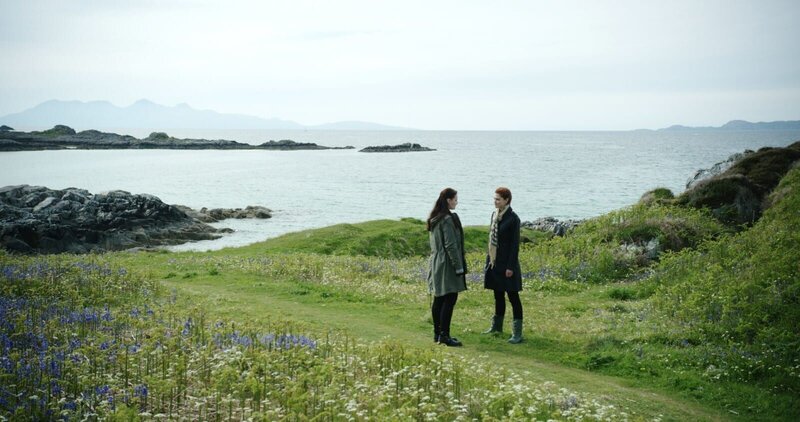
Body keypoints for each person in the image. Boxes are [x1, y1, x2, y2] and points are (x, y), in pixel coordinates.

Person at [427, 187, 468, 347]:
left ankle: (437, 334)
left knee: (439, 298)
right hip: (446, 264)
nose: (457, 202)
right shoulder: (447, 220)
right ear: (448, 200)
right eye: (455, 199)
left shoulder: (435, 217)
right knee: (450, 298)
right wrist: (458, 267)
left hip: (436, 261)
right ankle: (444, 335)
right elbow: (451, 245)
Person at [483, 187, 524, 344]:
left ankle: (517, 333)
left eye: (498, 199)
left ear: (506, 200)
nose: (495, 201)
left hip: (508, 264)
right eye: (494, 199)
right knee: (497, 294)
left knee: (513, 297)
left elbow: (514, 246)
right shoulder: (494, 215)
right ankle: (497, 327)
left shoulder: (513, 219)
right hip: (495, 262)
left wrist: (510, 267)